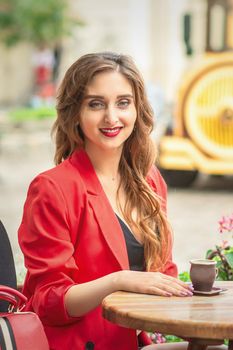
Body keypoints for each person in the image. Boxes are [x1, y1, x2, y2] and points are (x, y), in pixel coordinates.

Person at [18, 52, 193, 350]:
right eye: (96, 104)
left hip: (136, 340)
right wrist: (118, 281)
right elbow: (47, 300)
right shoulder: (52, 188)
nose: (111, 117)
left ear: (138, 109)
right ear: (75, 113)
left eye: (123, 102)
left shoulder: (149, 180)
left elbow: (163, 272)